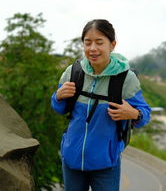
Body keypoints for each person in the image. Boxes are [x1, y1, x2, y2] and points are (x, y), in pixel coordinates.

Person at [51, 19, 151, 191]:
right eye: (87, 42)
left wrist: (134, 114)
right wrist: (57, 97)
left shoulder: (125, 79)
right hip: (72, 159)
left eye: (99, 42)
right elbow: (60, 109)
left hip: (105, 163)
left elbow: (144, 115)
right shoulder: (73, 72)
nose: (92, 48)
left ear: (112, 45)